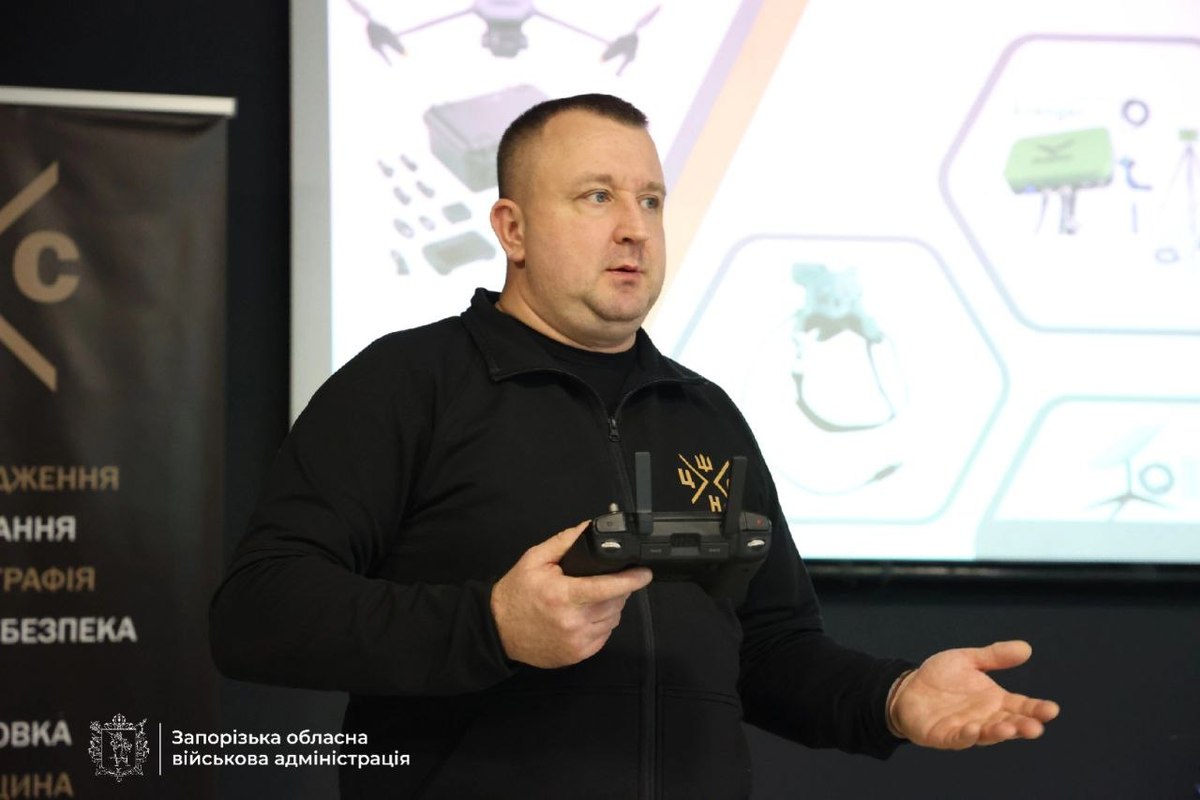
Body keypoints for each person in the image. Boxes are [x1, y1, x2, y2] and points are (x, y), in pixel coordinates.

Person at [209, 93, 1058, 798]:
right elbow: (258, 612)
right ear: (512, 229)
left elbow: (769, 649)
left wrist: (895, 696)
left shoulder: (705, 414)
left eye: (650, 200)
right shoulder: (407, 383)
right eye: (596, 197)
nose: (634, 229)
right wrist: (491, 625)